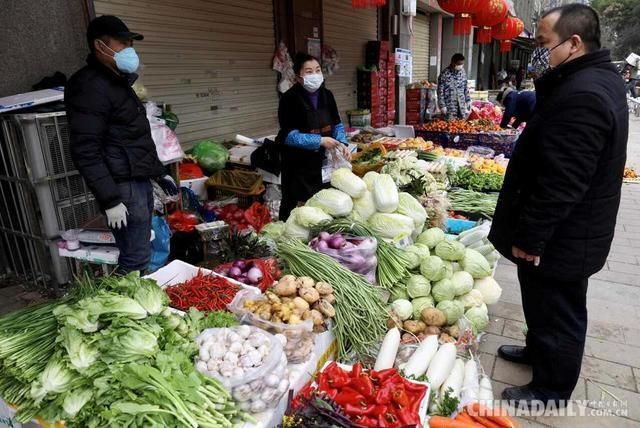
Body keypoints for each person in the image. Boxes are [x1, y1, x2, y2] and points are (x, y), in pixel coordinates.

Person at [488, 4, 628, 406]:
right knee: (541, 303)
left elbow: (561, 182)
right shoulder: (590, 79)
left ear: (575, 43)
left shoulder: (584, 93)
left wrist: (531, 238)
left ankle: (551, 389)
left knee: (559, 311)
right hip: (569, 231)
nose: (538, 51)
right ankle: (538, 352)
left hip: (562, 235)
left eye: (545, 43)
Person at [65, 16, 164, 273]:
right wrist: (110, 199)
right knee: (134, 258)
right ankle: (125, 306)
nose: (130, 50)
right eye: (123, 43)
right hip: (122, 186)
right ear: (100, 46)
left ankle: (140, 301)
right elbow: (85, 149)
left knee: (141, 250)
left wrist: (158, 173)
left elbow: (132, 137)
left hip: (135, 179)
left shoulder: (116, 81)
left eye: (131, 43)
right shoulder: (90, 87)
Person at [275, 53, 349, 221]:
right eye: (309, 71)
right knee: (296, 208)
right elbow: (289, 136)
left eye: (317, 70)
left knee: (322, 205)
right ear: (298, 77)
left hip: (322, 163)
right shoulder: (289, 99)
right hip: (297, 165)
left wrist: (343, 144)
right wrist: (320, 140)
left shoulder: (327, 95)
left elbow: (336, 124)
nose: (314, 75)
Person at [437, 53, 471, 120]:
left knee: (461, 126)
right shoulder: (444, 74)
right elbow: (440, 92)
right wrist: (442, 106)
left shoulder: (463, 72)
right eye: (459, 64)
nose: (460, 66)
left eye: (462, 64)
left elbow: (465, 87)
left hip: (461, 107)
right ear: (453, 62)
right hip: (449, 107)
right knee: (450, 127)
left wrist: (468, 100)